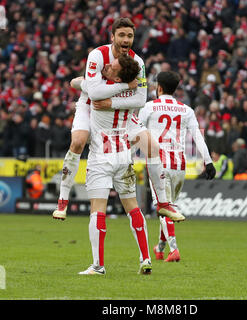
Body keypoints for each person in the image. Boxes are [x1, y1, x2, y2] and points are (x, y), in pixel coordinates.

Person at [52, 17, 184, 223]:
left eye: (130, 36)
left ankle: (163, 203)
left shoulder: (138, 62)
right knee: (78, 141)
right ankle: (62, 201)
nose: (126, 39)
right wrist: (124, 86)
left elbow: (140, 99)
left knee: (153, 147)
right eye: (121, 35)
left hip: (122, 112)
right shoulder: (97, 55)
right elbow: (95, 94)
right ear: (112, 37)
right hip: (90, 107)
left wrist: (101, 96)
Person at [74, 54, 152, 275]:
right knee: (133, 207)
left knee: (97, 209)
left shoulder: (99, 90)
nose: (106, 65)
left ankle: (98, 265)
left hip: (101, 156)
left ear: (117, 78)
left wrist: (80, 80)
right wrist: (129, 84)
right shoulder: (132, 95)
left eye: (111, 67)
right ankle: (145, 258)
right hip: (124, 155)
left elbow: (77, 83)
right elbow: (139, 99)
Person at [138, 71, 216, 262]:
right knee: (169, 206)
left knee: (163, 207)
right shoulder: (186, 110)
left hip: (158, 163)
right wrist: (208, 161)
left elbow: (135, 130)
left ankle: (174, 249)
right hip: (180, 165)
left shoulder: (149, 107)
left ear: (159, 87)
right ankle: (161, 247)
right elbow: (198, 137)